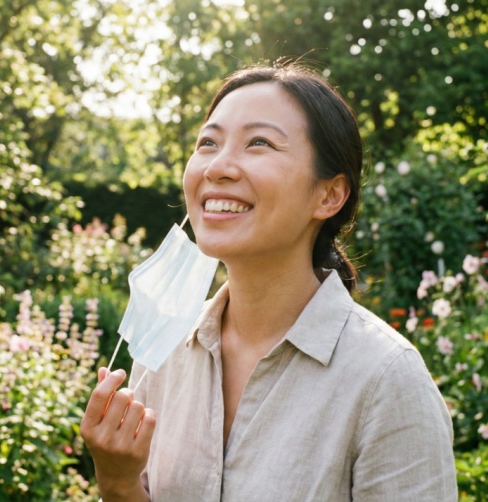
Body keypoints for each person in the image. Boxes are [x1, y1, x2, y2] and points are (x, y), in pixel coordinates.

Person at [80, 62, 458, 501]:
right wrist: (118, 483)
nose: (217, 167)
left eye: (259, 143)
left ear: (329, 195)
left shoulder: (387, 380)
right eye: (208, 143)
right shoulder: (163, 350)